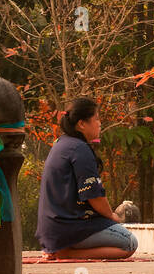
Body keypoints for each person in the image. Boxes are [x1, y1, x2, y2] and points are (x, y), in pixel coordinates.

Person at [36, 97, 138, 260]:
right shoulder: (79, 149)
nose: (99, 124)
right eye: (96, 119)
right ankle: (66, 253)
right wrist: (112, 216)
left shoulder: (62, 143)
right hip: (68, 228)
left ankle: (61, 249)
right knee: (129, 243)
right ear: (82, 124)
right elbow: (95, 197)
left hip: (52, 229)